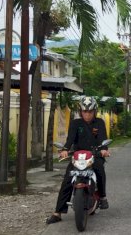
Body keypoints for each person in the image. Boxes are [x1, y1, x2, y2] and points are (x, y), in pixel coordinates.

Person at [46, 96, 110, 224]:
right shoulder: (76, 123)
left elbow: (103, 138)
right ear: (81, 112)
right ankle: (57, 212)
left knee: (99, 170)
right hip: (78, 156)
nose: (87, 115)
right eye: (85, 112)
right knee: (67, 180)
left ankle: (102, 196)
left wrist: (104, 149)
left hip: (95, 155)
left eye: (90, 112)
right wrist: (65, 149)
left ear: (95, 111)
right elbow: (70, 139)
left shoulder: (100, 123)